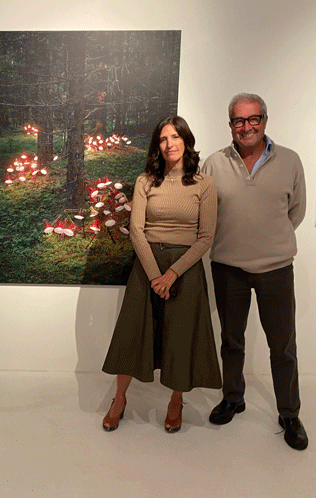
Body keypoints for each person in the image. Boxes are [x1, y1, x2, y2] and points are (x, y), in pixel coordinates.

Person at [202, 93, 308, 450]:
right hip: (227, 267)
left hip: (275, 269)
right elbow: (208, 213)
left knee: (283, 346)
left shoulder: (290, 161)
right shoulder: (214, 163)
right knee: (231, 340)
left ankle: (289, 413)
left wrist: (269, 241)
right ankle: (233, 397)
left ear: (265, 120)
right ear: (230, 124)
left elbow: (296, 212)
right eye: (239, 120)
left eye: (253, 119)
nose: (246, 127)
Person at [102, 116, 221, 433]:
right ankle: (119, 399)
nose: (170, 144)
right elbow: (136, 231)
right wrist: (156, 275)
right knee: (132, 334)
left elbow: (206, 237)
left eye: (175, 137)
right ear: (158, 145)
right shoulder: (145, 182)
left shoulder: (205, 184)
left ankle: (176, 400)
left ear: (186, 141)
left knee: (179, 336)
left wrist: (171, 274)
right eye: (163, 138)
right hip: (147, 266)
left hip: (185, 269)